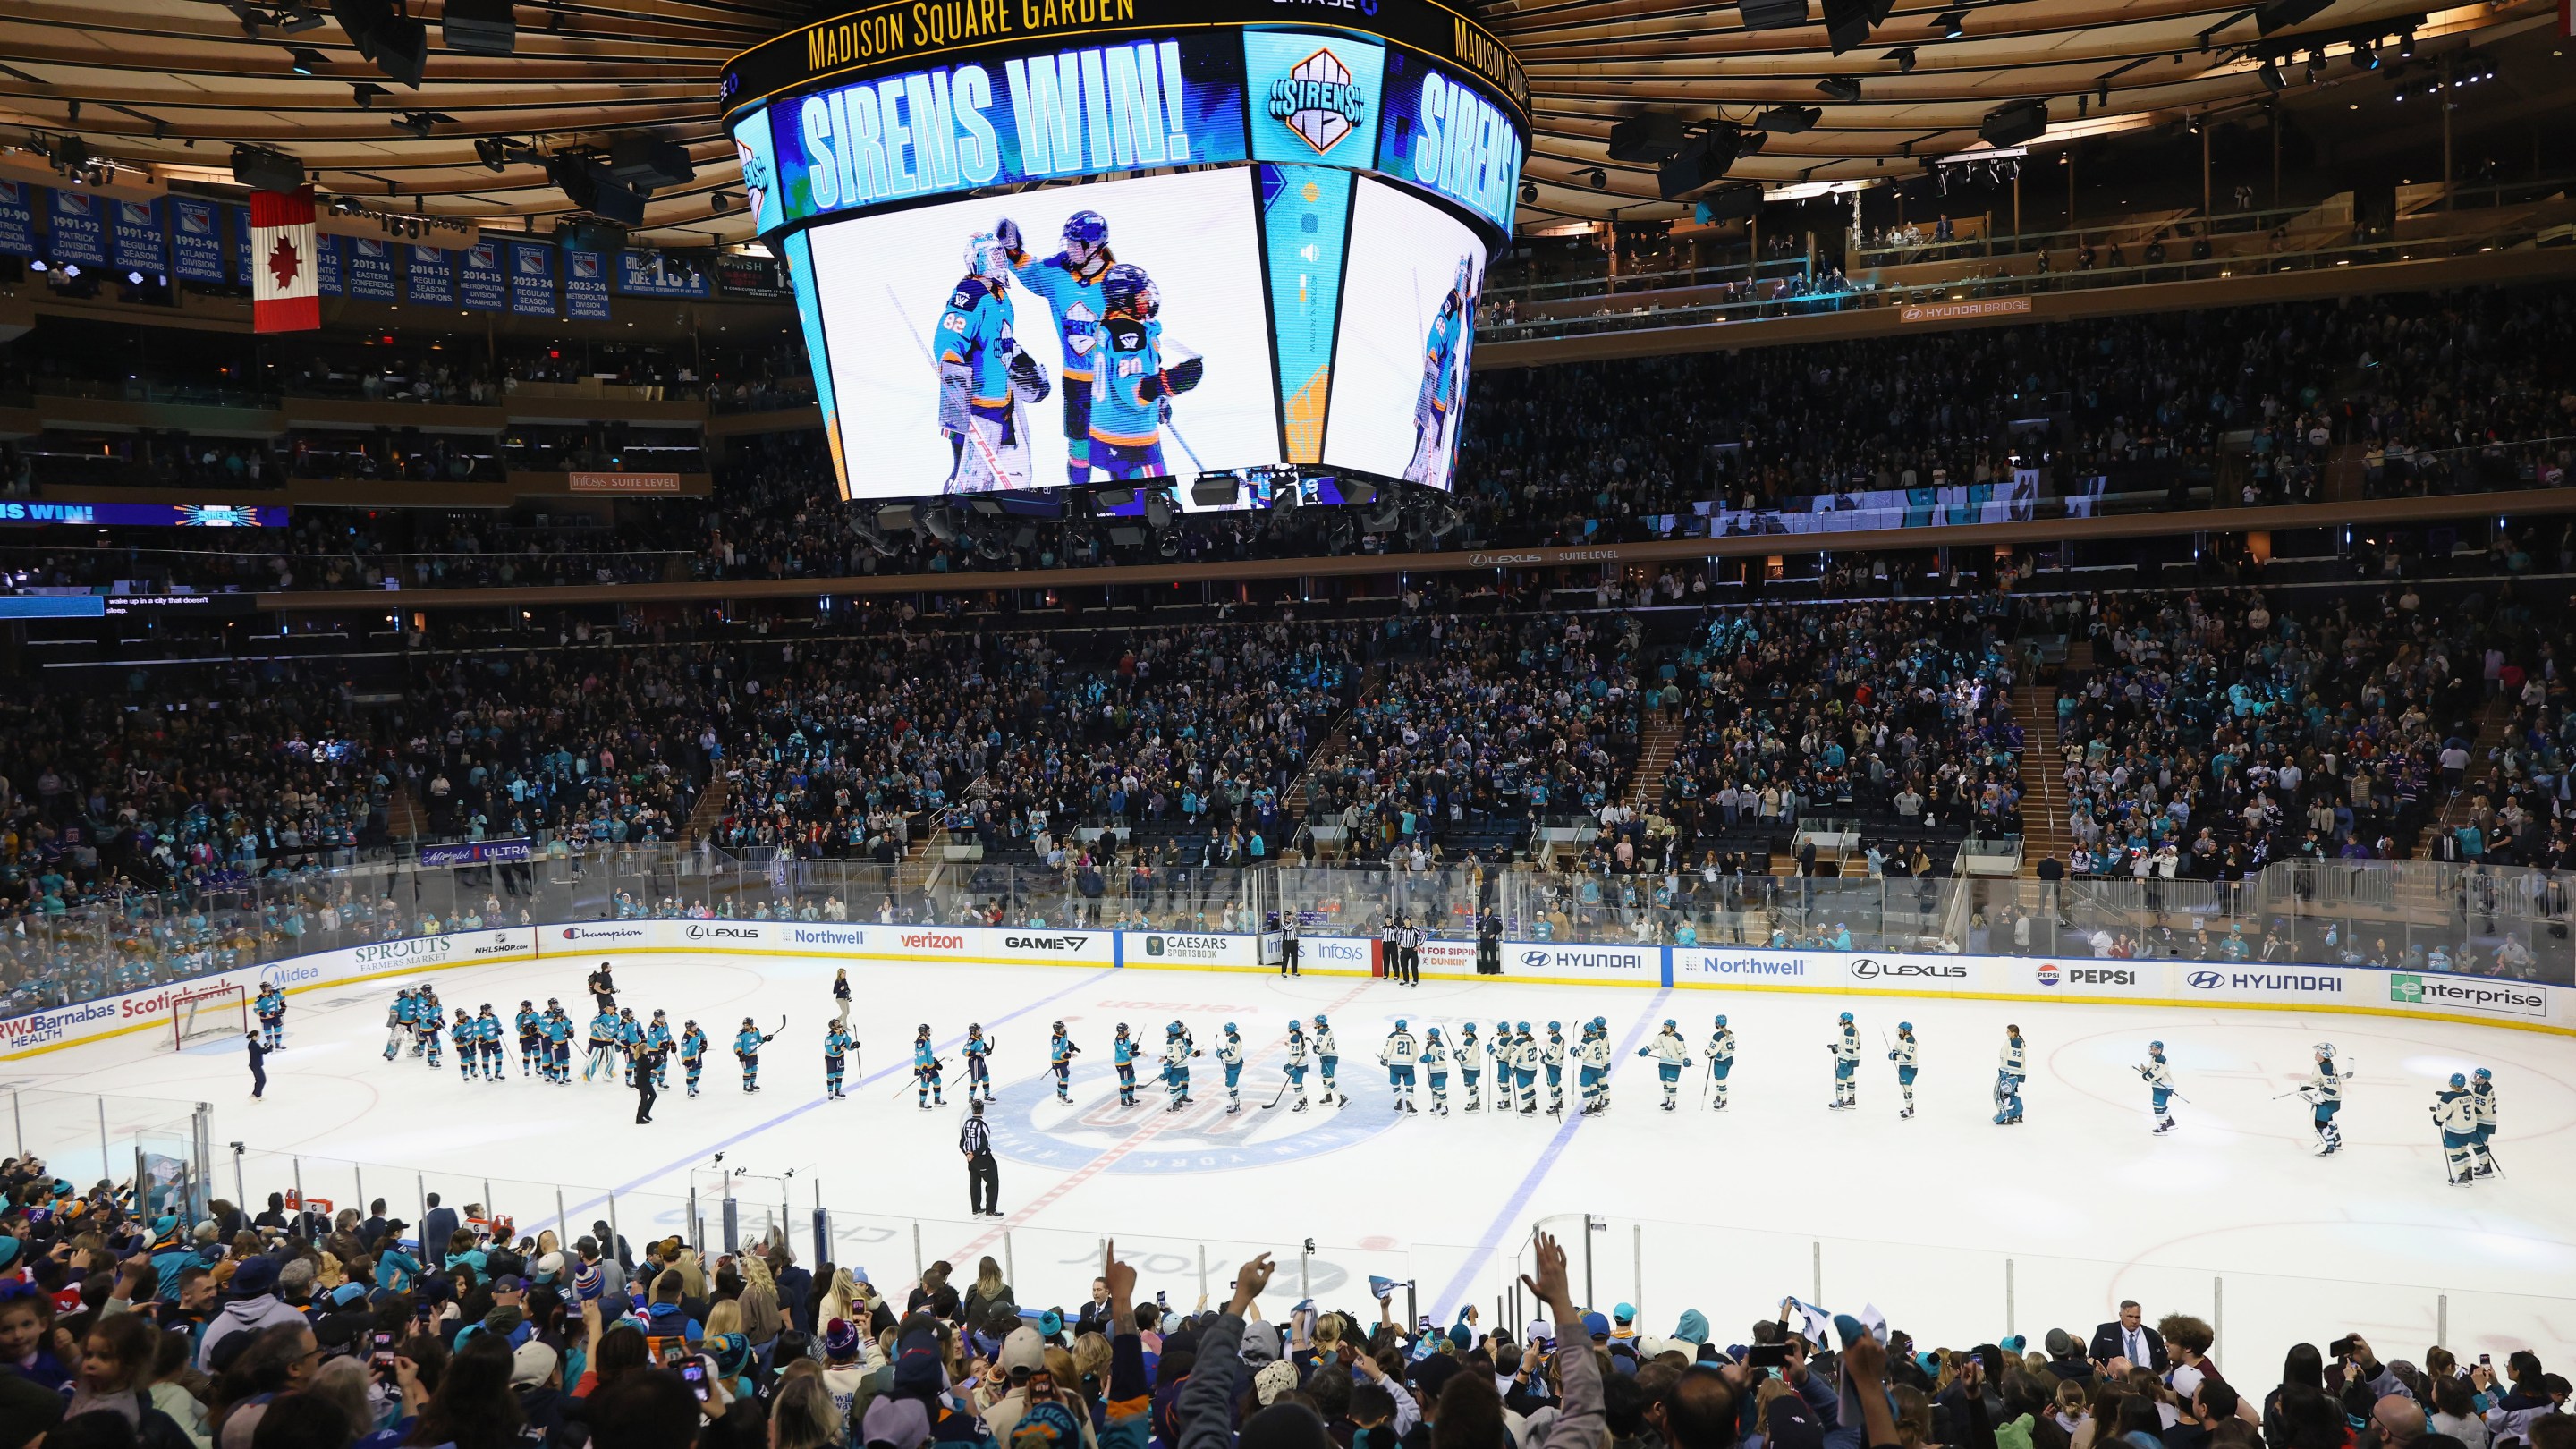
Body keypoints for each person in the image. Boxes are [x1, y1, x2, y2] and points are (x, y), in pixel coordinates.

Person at [2089, 1301, 2168, 1372]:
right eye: (2130, 1317)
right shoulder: (2105, 1331)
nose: (2134, 1321)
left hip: (2147, 1383)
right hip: (2115, 1383)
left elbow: (2164, 1361)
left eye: (2137, 1317)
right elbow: (2093, 1359)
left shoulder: (2152, 1335)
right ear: (2120, 1315)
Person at [2432, 1073, 2479, 1186]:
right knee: (2463, 1150)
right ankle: (2468, 1174)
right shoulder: (2468, 1093)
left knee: (2454, 1152)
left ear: (2451, 1082)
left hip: (2456, 1131)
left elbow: (2440, 1115)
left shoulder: (2448, 1098)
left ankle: (2462, 1177)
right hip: (2470, 1130)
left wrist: (2437, 1119)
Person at [1636, 1019, 1690, 1113]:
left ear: (1672, 1028)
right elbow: (1655, 1045)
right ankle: (1667, 1099)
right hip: (1663, 1064)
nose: (1665, 1028)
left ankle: (1672, 1102)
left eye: (1667, 1026)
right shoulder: (1661, 1036)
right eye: (1664, 1026)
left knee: (1671, 1084)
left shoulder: (1678, 1037)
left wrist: (1685, 1058)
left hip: (1674, 1065)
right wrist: (1646, 1049)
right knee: (1664, 1082)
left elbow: (1682, 1050)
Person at [2302, 1042, 2345, 1157]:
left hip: (2330, 1101)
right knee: (2327, 1120)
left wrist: (2319, 1097)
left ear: (2323, 1054)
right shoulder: (2323, 1065)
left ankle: (2329, 1147)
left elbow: (2332, 1087)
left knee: (2319, 1122)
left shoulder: (2325, 1068)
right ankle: (2337, 1141)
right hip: (2331, 1100)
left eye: (2318, 1052)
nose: (2315, 1054)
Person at [960, 1100, 1000, 1218]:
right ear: (982, 1109)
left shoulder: (967, 1123)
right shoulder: (983, 1124)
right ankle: (990, 1211)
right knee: (992, 1182)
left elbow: (962, 1142)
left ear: (972, 1109)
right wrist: (975, 1153)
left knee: (975, 1183)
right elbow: (984, 1144)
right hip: (983, 1159)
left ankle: (976, 1210)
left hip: (971, 1160)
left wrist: (968, 1154)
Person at [1379, 1019, 1419, 1114]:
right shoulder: (1411, 1037)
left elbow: (1387, 1051)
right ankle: (1410, 1106)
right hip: (1408, 1066)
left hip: (1395, 1066)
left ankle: (1399, 1104)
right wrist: (1411, 1062)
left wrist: (1384, 1058)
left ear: (1397, 1026)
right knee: (1409, 1086)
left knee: (1395, 1084)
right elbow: (1416, 1053)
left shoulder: (1392, 1036)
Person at [2140, 1041, 2177, 1135]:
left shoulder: (2160, 1060)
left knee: (2158, 1106)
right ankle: (2170, 1122)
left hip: (2163, 1086)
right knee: (2162, 1105)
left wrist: (2146, 1077)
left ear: (2160, 1050)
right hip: (2162, 1085)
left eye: (2155, 1049)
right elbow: (2154, 1070)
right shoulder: (2156, 1058)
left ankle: (2162, 1127)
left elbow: (2156, 1074)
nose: (2153, 1050)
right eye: (2152, 1048)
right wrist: (2146, 1070)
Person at [1995, 1023, 2028, 1126]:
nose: (2006, 1032)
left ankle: (2007, 1115)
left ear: (2014, 1033)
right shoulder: (2015, 1041)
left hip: (2009, 1072)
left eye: (2008, 1031)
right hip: (2011, 1072)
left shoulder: (2015, 1042)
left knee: (2005, 1093)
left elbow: (2015, 1059)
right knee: (2012, 1093)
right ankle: (2017, 1113)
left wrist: (2011, 1075)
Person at [2469, 1067, 2499, 1177]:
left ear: (2485, 1079)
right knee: (2480, 1143)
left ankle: (2486, 1168)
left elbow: (2480, 1110)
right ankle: (2484, 1164)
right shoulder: (2485, 1087)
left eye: (2479, 1077)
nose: (2476, 1078)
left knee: (2477, 1143)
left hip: (2483, 1121)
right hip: (2488, 1120)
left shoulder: (2481, 1089)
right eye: (2475, 1075)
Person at [735, 1017, 776, 1095]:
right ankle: (746, 1086)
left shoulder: (756, 1030)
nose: (745, 1027)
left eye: (747, 1025)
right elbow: (737, 1045)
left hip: (754, 1055)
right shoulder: (741, 1034)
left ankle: (752, 1084)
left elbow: (759, 1039)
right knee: (748, 1071)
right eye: (744, 1025)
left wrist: (766, 1038)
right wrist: (740, 1053)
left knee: (754, 1069)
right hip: (745, 1056)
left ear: (751, 1025)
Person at [1827, 1012, 1860, 1111]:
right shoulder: (1849, 1029)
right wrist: (1837, 1047)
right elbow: (1847, 1046)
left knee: (1840, 1079)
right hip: (1852, 1060)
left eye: (1842, 1019)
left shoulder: (1848, 1031)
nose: (1840, 1021)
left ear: (1847, 1021)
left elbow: (1849, 1050)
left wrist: (1844, 1062)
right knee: (1850, 1078)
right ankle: (1851, 1100)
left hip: (1847, 1060)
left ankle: (1839, 1102)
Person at [1706, 1015, 1735, 1112]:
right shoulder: (1730, 1033)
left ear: (1717, 1024)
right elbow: (1733, 1048)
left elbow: (1711, 1052)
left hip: (1721, 1062)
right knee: (1721, 1081)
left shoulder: (1717, 1036)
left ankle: (1723, 1102)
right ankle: (1719, 1097)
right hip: (1729, 1060)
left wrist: (1707, 1052)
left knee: (1721, 1082)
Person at [1890, 1021, 1919, 1120]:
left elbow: (1907, 1057)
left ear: (1906, 1031)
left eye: (1901, 1029)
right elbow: (1896, 1047)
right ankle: (1909, 1107)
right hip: (1903, 1067)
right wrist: (1894, 1052)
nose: (1899, 1031)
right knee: (1904, 1088)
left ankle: (1909, 1109)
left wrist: (1896, 1057)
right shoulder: (1901, 1039)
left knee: (1906, 1088)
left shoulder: (1910, 1040)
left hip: (1910, 1067)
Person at [911, 1025, 944, 1109]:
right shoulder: (920, 1042)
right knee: (925, 1085)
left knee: (937, 1081)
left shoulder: (927, 1039)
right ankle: (922, 1102)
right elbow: (921, 1057)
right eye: (928, 1031)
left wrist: (934, 1061)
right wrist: (925, 1070)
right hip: (925, 1068)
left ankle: (937, 1099)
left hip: (931, 1066)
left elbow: (928, 1053)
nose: (929, 1032)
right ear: (924, 1032)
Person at [1047, 1021, 1080, 1105]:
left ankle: (1059, 1094)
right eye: (1061, 1028)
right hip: (1059, 1062)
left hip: (1064, 1061)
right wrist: (1070, 1055)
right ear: (1057, 1029)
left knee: (1063, 1078)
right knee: (1064, 1079)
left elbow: (1065, 1043)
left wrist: (1071, 1046)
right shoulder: (1056, 1040)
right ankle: (1064, 1096)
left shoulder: (1063, 1034)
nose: (1063, 1029)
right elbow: (1059, 1054)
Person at [1217, 1023, 1245, 1115]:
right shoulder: (1236, 1037)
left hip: (1233, 1066)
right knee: (1233, 1084)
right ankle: (1236, 1102)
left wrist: (1221, 1055)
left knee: (1230, 1085)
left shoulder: (1232, 1040)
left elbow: (1231, 1055)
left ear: (1228, 1031)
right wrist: (1224, 1051)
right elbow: (1232, 1051)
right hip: (1238, 1064)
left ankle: (1234, 1105)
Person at [632, 1041, 661, 1125]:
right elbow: (652, 1066)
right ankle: (639, 1119)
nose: (649, 1049)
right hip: (642, 1083)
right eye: (647, 1048)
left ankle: (645, 1113)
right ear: (644, 1050)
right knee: (643, 1100)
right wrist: (658, 1058)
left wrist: (658, 1058)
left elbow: (650, 1065)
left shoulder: (643, 1057)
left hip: (645, 1081)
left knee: (653, 1095)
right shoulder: (642, 1058)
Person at [823, 1021, 854, 1101]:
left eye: (838, 1022)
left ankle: (838, 1090)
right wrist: (839, 1048)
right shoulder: (831, 1035)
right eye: (836, 1023)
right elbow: (828, 1047)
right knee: (831, 1075)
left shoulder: (843, 1033)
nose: (838, 1024)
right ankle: (830, 1091)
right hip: (831, 1057)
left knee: (839, 1074)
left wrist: (853, 1046)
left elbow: (847, 1044)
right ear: (832, 1026)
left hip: (840, 1057)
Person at [245, 1031, 269, 1101]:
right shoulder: (254, 1045)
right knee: (262, 1080)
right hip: (256, 1065)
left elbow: (259, 1051)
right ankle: (255, 1095)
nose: (259, 1037)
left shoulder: (253, 1044)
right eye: (258, 1036)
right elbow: (262, 1051)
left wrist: (265, 1047)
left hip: (255, 1065)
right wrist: (270, 1047)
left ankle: (256, 1095)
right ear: (254, 1037)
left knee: (260, 1080)